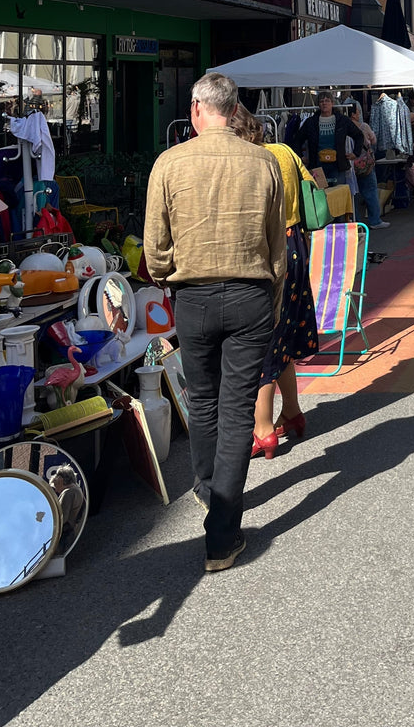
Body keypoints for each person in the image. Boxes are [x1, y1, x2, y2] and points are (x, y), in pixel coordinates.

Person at [144, 72, 285, 573]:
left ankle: (209, 495)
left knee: (202, 400)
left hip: (194, 297)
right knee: (237, 408)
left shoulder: (169, 162)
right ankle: (221, 530)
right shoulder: (264, 162)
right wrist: (273, 299)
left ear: (198, 109)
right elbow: (277, 246)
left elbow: (154, 250)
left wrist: (168, 275)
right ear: (234, 108)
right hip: (250, 294)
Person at [230, 106, 319, 458]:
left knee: (263, 341)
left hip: (269, 250)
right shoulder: (284, 151)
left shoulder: (249, 162)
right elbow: (313, 186)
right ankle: (293, 412)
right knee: (285, 335)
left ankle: (263, 429)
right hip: (296, 243)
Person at [293, 90, 364, 185]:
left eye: (327, 101)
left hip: (337, 166)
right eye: (321, 101)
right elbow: (297, 139)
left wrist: (356, 153)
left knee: (337, 194)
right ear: (318, 104)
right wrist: (301, 156)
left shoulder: (342, 120)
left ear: (332, 103)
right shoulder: (311, 122)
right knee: (321, 196)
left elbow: (359, 135)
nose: (324, 103)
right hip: (317, 166)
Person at [344, 100, 390, 230]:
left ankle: (357, 221)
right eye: (358, 112)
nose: (359, 114)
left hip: (349, 165)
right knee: (370, 191)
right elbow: (373, 141)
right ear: (353, 114)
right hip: (365, 164)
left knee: (354, 195)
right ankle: (375, 220)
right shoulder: (363, 126)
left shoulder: (342, 127)